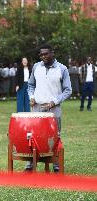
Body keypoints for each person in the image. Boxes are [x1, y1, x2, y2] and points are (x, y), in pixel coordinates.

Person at [27, 44, 72, 172]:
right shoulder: (36, 67)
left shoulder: (62, 69)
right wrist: (31, 96)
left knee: (55, 137)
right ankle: (30, 166)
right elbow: (30, 85)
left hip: (53, 109)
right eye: (41, 54)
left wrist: (55, 101)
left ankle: (56, 166)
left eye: (46, 54)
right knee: (32, 136)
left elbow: (68, 90)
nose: (43, 56)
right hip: (37, 108)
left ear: (53, 53)